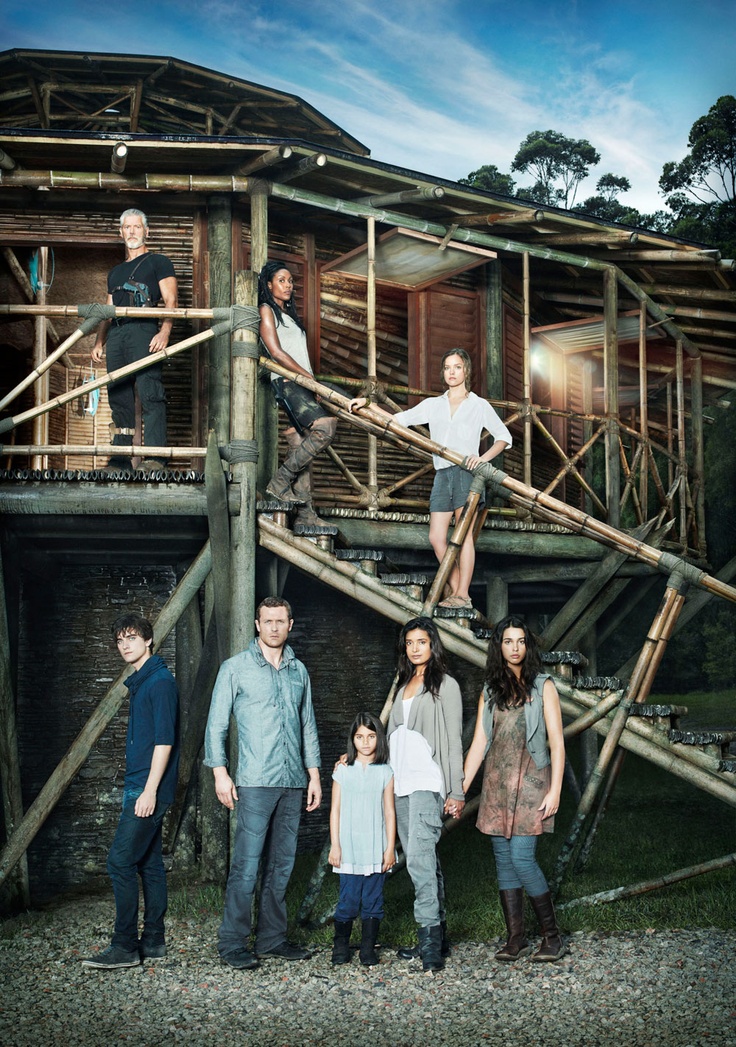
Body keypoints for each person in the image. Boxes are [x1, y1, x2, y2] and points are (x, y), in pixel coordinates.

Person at [204, 596, 321, 970]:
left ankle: (272, 938)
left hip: (292, 782)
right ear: (257, 624)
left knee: (282, 864)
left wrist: (314, 774)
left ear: (290, 624)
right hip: (254, 782)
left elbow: (308, 725)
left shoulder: (298, 671)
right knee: (247, 865)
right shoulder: (234, 669)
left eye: (280, 621)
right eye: (267, 621)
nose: (273, 627)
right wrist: (220, 772)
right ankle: (232, 941)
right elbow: (216, 724)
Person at [350, 348, 511, 610]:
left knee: (464, 535)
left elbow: (504, 437)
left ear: (466, 371)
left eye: (457, 367)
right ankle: (458, 591)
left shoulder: (478, 405)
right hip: (442, 474)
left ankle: (462, 594)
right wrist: (368, 405)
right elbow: (399, 419)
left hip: (466, 473)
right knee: (437, 537)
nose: (452, 372)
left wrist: (483, 458)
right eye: (447, 367)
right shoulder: (434, 404)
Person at [462, 615, 566, 963]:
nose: (515, 648)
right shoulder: (490, 691)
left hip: (534, 782)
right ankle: (516, 938)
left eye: (520, 641)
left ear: (528, 645)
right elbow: (479, 743)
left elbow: (557, 744)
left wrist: (556, 791)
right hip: (496, 785)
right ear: (499, 646)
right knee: (504, 864)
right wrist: (460, 789)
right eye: (508, 641)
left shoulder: (544, 686)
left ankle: (552, 937)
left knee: (522, 858)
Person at [82, 613, 180, 970]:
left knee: (119, 862)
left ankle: (124, 947)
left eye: (132, 638)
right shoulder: (143, 682)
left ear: (148, 640)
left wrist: (150, 791)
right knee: (149, 864)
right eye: (120, 640)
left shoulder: (160, 683)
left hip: (147, 786)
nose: (125, 645)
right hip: (141, 783)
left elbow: (164, 742)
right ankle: (153, 941)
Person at [388, 617, 465, 972]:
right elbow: (389, 737)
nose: (415, 648)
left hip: (425, 784)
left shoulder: (445, 685)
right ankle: (439, 937)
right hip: (400, 785)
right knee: (425, 861)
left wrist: (456, 791)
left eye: (422, 641)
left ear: (433, 644)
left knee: (418, 861)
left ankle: (429, 944)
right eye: (409, 642)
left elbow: (452, 743)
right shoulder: (402, 682)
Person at [92, 208, 178, 474]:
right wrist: (99, 342)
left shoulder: (158, 261)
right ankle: (120, 459)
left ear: (146, 231)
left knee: (149, 391)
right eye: (127, 227)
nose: (132, 232)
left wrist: (164, 332)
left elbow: (171, 301)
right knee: (118, 395)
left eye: (137, 227)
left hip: (144, 330)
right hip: (117, 334)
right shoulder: (115, 272)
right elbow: (108, 310)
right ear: (121, 232)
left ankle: (155, 458)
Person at [259, 260, 337, 526]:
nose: (288, 285)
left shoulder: (290, 316)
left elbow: (301, 355)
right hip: (286, 381)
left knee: (298, 441)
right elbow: (276, 352)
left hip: (301, 382)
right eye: (282, 280)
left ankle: (305, 514)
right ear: (268, 285)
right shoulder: (266, 310)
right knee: (326, 427)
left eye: (290, 281)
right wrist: (307, 378)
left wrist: (310, 382)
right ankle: (279, 482)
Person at [328, 711, 396, 967]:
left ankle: (368, 948)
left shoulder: (385, 771)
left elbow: (389, 812)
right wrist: (336, 845)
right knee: (348, 900)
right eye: (359, 737)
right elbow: (335, 810)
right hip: (349, 848)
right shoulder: (343, 771)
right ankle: (341, 945)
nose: (365, 742)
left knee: (373, 900)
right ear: (352, 740)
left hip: (376, 846)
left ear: (379, 738)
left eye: (370, 736)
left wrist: (390, 848)